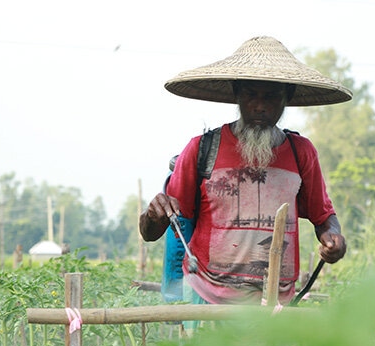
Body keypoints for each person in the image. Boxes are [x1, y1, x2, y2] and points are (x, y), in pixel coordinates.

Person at [139, 36, 351, 307]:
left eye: (271, 97)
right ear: (237, 94)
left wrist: (333, 239)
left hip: (274, 303)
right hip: (207, 298)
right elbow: (151, 232)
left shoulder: (302, 153)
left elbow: (324, 217)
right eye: (251, 94)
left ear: (287, 98)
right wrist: (152, 214)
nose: (260, 105)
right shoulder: (202, 149)